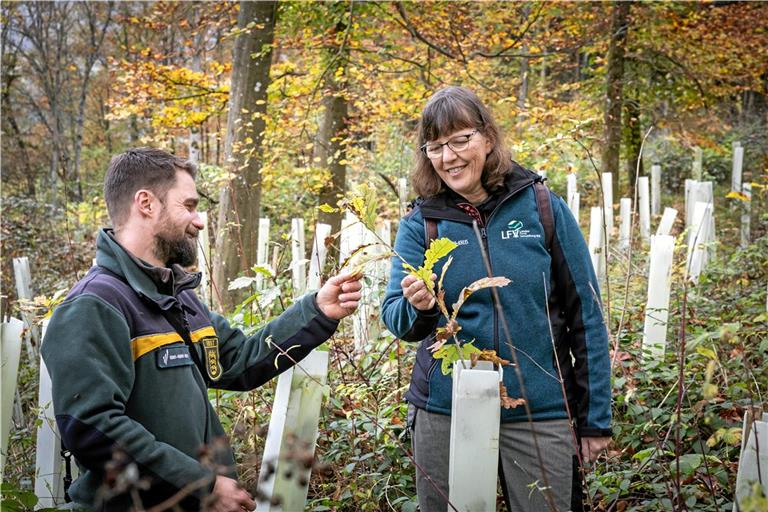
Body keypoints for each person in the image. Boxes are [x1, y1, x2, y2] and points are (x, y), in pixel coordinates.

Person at [41, 147, 363, 511]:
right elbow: (92, 428)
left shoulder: (178, 298)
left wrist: (317, 310)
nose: (199, 220)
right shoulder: (94, 306)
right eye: (189, 205)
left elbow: (239, 360)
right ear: (146, 203)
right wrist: (201, 485)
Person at [381, 86, 611, 512]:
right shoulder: (422, 223)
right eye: (435, 147)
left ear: (487, 138)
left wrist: (594, 417)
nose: (448, 157)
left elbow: (587, 314)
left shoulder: (541, 206)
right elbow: (395, 316)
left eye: (460, 140)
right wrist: (421, 305)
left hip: (540, 412)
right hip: (446, 412)